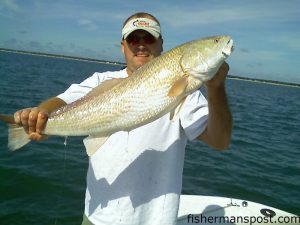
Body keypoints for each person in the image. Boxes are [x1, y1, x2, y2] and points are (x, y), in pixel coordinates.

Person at [13, 12, 232, 225]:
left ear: (161, 43)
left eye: (149, 37)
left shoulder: (189, 92)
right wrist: (39, 116)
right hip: (97, 218)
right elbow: (61, 101)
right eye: (133, 38)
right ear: (123, 45)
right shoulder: (101, 80)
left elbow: (220, 141)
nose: (141, 44)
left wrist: (216, 88)